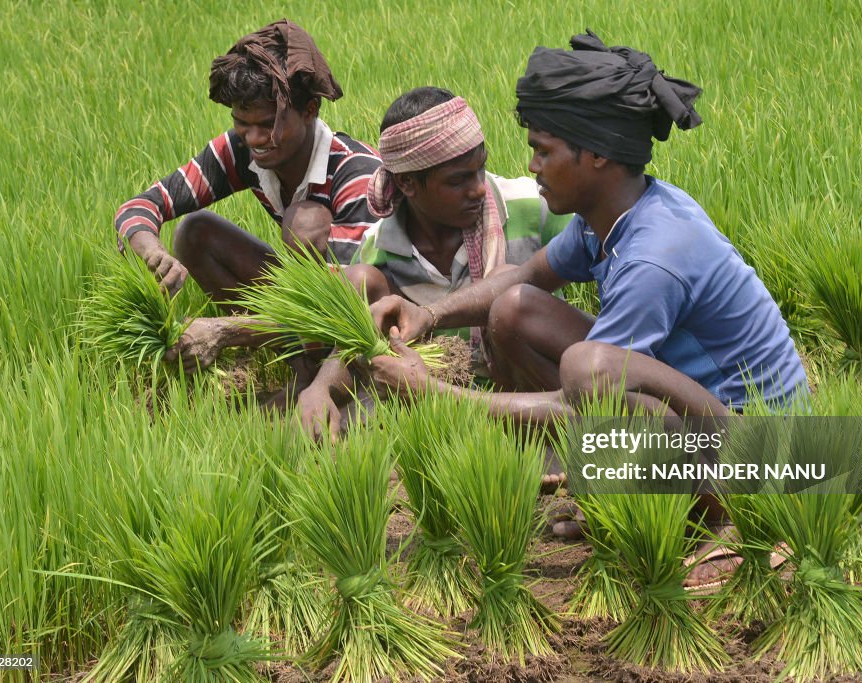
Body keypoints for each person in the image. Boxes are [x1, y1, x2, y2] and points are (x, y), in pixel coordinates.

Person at [364, 33, 809, 581]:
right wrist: (428, 316)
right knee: (515, 307)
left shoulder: (653, 259)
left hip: (761, 453)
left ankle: (717, 524)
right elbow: (525, 276)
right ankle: (595, 483)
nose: (531, 166)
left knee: (589, 368)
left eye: (544, 151)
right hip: (702, 419)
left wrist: (433, 394)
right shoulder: (613, 216)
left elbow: (583, 399)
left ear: (596, 154)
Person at [295, 86, 571, 440]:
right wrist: (320, 387)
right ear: (408, 183)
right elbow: (351, 342)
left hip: (530, 400)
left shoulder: (530, 208)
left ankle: (533, 441)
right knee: (360, 280)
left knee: (508, 285)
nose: (479, 189)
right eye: (458, 180)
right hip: (438, 403)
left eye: (480, 169)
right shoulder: (379, 248)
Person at [114, 19, 380, 306]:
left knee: (303, 222)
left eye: (268, 125)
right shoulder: (241, 149)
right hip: (316, 294)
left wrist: (225, 334)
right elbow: (142, 205)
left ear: (309, 110)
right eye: (241, 123)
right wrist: (153, 252)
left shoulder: (355, 175)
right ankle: (277, 341)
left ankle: (283, 341)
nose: (253, 139)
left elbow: (357, 293)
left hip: (375, 300)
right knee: (195, 232)